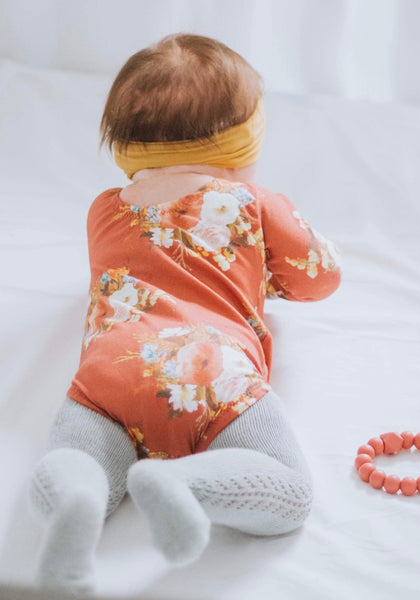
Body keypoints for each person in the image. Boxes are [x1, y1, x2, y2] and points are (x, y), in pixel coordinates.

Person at [26, 33, 341, 593]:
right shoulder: (256, 203)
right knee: (289, 491)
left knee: (79, 457)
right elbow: (320, 278)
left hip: (109, 373)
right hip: (211, 373)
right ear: (242, 143)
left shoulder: (104, 210)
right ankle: (184, 485)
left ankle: (77, 502)